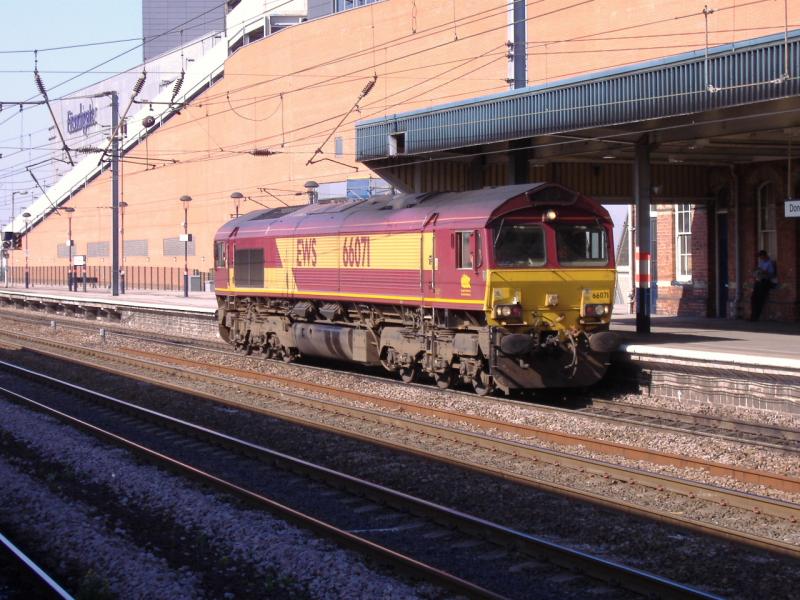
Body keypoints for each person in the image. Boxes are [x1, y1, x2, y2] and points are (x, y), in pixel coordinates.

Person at [750, 250, 777, 321]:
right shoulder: (761, 263)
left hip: (765, 281)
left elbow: (772, 274)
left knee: (760, 299)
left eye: (761, 256)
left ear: (765, 256)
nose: (760, 258)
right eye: (760, 257)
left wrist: (764, 272)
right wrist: (756, 271)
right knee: (753, 298)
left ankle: (756, 317)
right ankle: (752, 315)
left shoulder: (770, 263)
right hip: (758, 280)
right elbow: (758, 270)